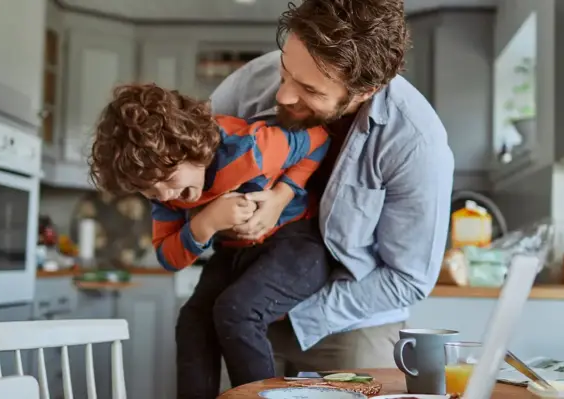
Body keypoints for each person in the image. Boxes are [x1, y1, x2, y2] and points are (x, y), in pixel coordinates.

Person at [209, 0, 455, 376]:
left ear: (364, 91)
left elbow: (407, 279)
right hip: (248, 310)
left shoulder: (417, 143)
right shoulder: (253, 80)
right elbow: (187, 162)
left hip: (352, 326)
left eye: (309, 89)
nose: (283, 96)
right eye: (284, 71)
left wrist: (291, 308)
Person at [87, 83, 332, 399]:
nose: (164, 196)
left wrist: (282, 196)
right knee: (191, 322)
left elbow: (319, 139)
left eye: (169, 179)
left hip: (296, 244)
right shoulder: (163, 192)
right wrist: (206, 222)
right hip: (235, 251)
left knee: (236, 311)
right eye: (149, 192)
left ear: (191, 148)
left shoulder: (250, 149)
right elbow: (168, 256)